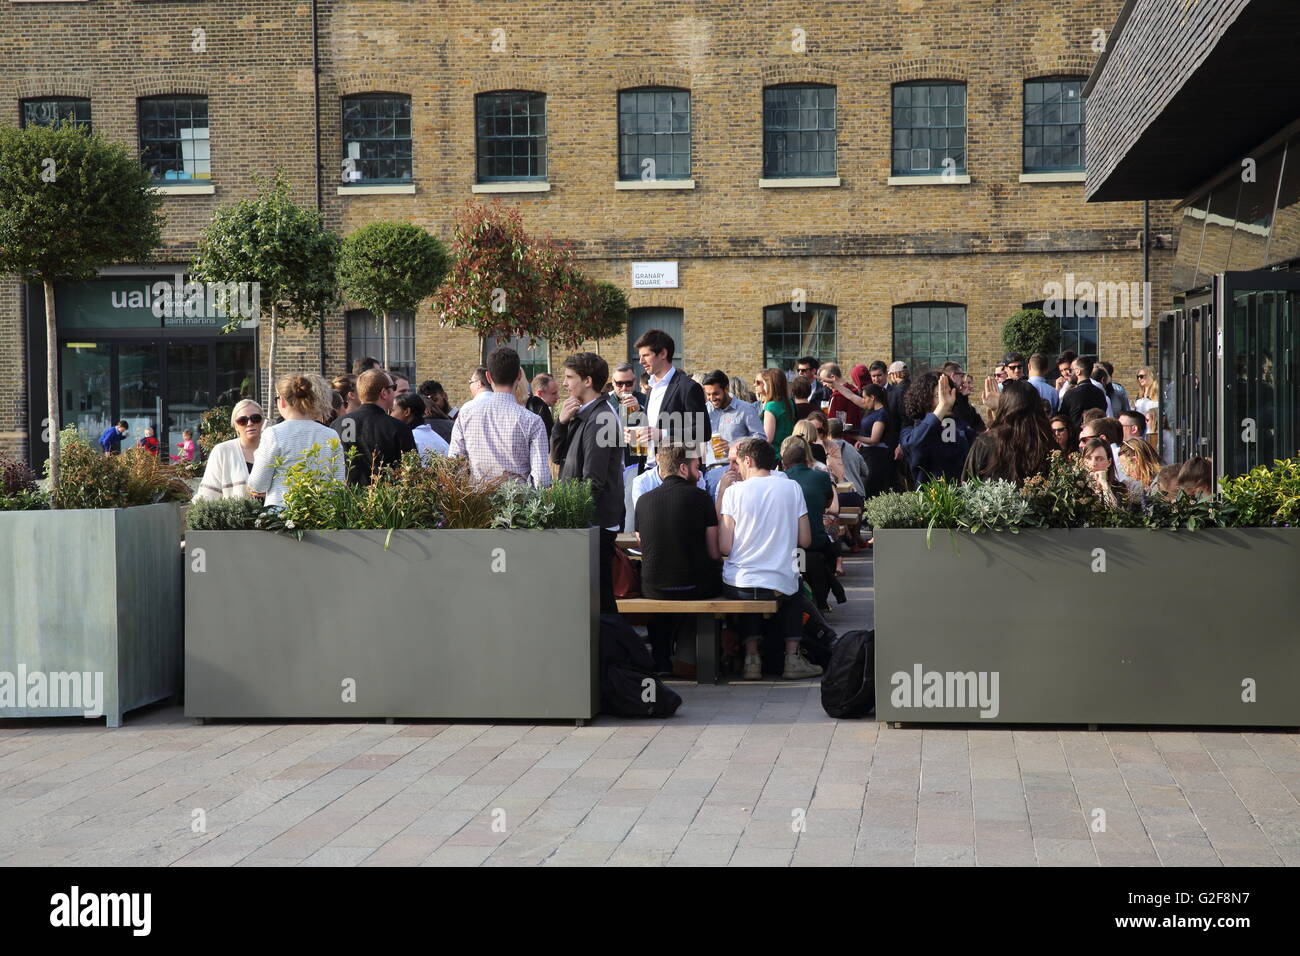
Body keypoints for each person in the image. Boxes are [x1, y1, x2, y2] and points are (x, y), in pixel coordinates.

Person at [718, 437, 821, 681]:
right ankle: (792, 658)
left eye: (738, 464)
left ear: (748, 460)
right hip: (779, 584)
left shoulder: (733, 493)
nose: (737, 469)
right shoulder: (791, 487)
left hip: (738, 584)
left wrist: (721, 494)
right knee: (795, 589)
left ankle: (752, 658)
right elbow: (805, 541)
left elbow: (724, 546)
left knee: (751, 584)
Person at [635, 442, 722, 674]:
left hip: (653, 587)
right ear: (683, 469)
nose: (700, 471)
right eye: (696, 466)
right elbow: (714, 553)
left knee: (664, 587)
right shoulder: (701, 498)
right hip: (696, 587)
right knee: (705, 579)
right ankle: (700, 661)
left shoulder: (643, 501)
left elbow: (644, 546)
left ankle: (662, 660)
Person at [551, 352, 624, 613]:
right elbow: (558, 458)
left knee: (599, 602)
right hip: (586, 523)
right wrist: (560, 423)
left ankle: (617, 653)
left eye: (570, 377)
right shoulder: (582, 413)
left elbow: (593, 481)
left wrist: (572, 520)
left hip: (594, 525)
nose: (566, 383)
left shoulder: (601, 418)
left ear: (588, 381)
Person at [449, 348, 551, 487]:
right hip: (519, 504)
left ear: (489, 377)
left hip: (477, 504)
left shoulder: (466, 416)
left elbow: (455, 466)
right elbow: (541, 480)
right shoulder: (533, 421)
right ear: (519, 375)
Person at [247, 374, 346, 506]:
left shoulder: (274, 434)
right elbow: (338, 485)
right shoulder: (330, 435)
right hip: (322, 515)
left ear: (282, 400)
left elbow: (258, 484)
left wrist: (258, 455)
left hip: (281, 514)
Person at [780, 436, 840, 612]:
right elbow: (829, 504)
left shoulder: (780, 480)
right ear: (806, 459)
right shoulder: (821, 477)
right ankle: (821, 599)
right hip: (816, 542)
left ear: (784, 463)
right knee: (831, 553)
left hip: (788, 547)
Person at [631, 329, 711, 453]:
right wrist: (635, 437)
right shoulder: (652, 387)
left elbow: (703, 431)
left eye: (646, 355)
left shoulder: (688, 387)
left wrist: (663, 434)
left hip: (677, 468)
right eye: (640, 356)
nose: (641, 361)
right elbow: (651, 430)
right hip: (649, 465)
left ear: (663, 353)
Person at [333, 368, 417, 485]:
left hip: (346, 498)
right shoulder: (398, 427)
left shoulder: (337, 424)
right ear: (384, 393)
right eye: (393, 388)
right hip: (385, 499)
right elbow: (412, 471)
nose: (394, 392)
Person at [963, 379, 1054, 484]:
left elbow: (967, 483)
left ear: (1006, 406)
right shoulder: (1046, 439)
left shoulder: (986, 442)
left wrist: (998, 410)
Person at [900, 371, 975, 484]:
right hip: (930, 497)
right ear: (924, 398)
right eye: (939, 395)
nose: (947, 399)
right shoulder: (911, 430)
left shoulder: (960, 427)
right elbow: (915, 445)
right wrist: (942, 408)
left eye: (949, 393)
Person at [700, 370, 765, 496]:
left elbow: (761, 438)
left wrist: (734, 445)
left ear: (726, 388)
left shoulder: (745, 409)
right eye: (708, 394)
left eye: (715, 394)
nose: (712, 398)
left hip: (736, 470)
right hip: (709, 472)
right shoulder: (705, 410)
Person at [195, 400, 264, 501]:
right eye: (242, 420)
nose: (250, 423)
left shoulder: (274, 449)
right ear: (235, 425)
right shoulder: (222, 451)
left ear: (262, 421)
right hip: (236, 515)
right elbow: (208, 495)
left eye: (255, 418)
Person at [609, 362, 649, 471]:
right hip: (613, 463)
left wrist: (639, 409)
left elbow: (656, 425)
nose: (624, 388)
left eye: (628, 383)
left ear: (635, 381)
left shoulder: (645, 399)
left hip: (637, 462)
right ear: (613, 382)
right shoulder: (606, 402)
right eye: (619, 384)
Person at [392, 390, 449, 459]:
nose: (389, 415)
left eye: (392, 410)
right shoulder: (432, 435)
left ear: (407, 411)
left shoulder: (410, 438)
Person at [1059, 355, 1108, 428]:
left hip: (1077, 436)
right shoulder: (1100, 393)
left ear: (1078, 371)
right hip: (1097, 432)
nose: (1069, 373)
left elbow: (1062, 418)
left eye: (1070, 370)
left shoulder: (1071, 394)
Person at [754, 367, 796, 450]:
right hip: (788, 450)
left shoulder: (771, 406)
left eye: (759, 382)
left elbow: (767, 438)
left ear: (768, 384)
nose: (755, 384)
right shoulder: (789, 402)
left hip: (774, 454)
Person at [1080, 437, 1126, 508]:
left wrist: (1104, 484)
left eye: (1099, 459)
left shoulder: (1120, 489)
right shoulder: (1076, 488)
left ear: (1109, 462)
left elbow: (1116, 514)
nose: (1093, 463)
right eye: (1088, 458)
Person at [941, 361, 985, 433]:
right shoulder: (954, 400)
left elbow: (977, 422)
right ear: (953, 376)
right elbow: (965, 422)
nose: (963, 381)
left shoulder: (958, 398)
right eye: (961, 376)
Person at [1079, 416, 1125, 481]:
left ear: (1102, 439)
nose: (1080, 445)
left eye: (1084, 440)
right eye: (1089, 458)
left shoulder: (1120, 458)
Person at [819, 362, 864, 428]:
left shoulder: (838, 396)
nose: (823, 384)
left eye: (824, 380)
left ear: (833, 377)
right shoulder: (853, 389)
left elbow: (833, 423)